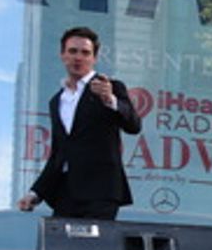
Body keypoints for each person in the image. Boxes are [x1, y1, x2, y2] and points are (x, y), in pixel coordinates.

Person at [16, 27, 141, 219]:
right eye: (73, 51)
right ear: (63, 55)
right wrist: (36, 193)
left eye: (85, 52)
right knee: (61, 247)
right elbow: (59, 153)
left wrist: (110, 100)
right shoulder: (57, 101)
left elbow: (134, 125)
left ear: (94, 58)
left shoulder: (112, 87)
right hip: (66, 194)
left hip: (101, 192)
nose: (78, 57)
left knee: (95, 248)